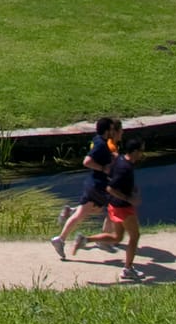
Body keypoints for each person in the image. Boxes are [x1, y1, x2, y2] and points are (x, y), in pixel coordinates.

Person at [50, 117, 120, 258]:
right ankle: (103, 242)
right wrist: (103, 168)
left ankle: (60, 239)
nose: (114, 131)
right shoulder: (101, 144)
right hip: (99, 186)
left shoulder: (98, 141)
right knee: (114, 209)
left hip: (92, 184)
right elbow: (87, 161)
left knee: (81, 214)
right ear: (107, 131)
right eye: (112, 129)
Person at [75, 138, 145, 278]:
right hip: (123, 207)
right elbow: (110, 188)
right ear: (135, 152)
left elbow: (112, 177)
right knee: (135, 236)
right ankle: (128, 269)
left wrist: (132, 189)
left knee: (117, 237)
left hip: (114, 205)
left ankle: (85, 240)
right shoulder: (125, 168)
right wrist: (129, 198)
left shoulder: (120, 160)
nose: (143, 154)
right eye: (141, 151)